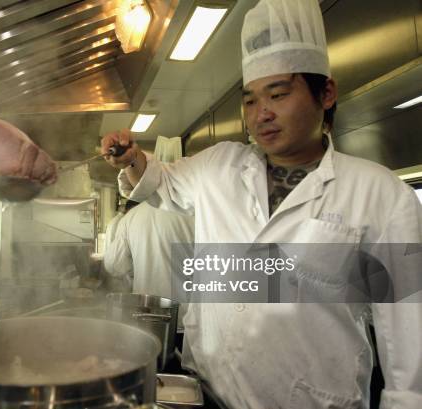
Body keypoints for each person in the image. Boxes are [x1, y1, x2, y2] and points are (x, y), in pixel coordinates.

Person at [100, 0, 422, 407]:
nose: (261, 114)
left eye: (279, 94)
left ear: (326, 93)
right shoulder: (220, 166)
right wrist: (132, 158)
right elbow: (159, 180)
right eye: (250, 99)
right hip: (207, 393)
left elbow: (410, 342)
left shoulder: (381, 194)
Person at [103, 201, 194, 310]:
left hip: (145, 307)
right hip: (185, 310)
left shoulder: (131, 217)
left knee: (144, 327)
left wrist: (138, 268)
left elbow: (113, 264)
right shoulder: (194, 212)